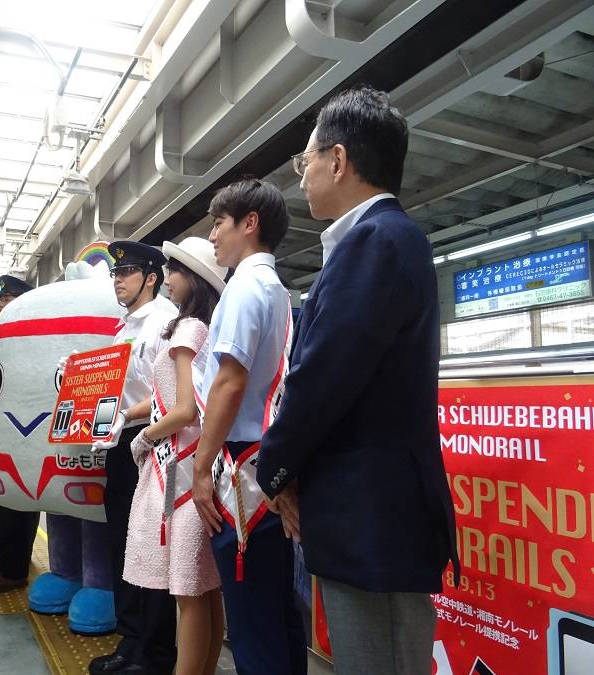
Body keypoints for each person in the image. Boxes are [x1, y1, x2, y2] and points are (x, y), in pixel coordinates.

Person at [256, 87, 460, 675]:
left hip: (374, 520)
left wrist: (275, 468)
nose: (302, 179)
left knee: (379, 660)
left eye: (306, 162)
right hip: (368, 513)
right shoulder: (383, 240)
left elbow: (324, 376)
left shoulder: (375, 242)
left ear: (338, 161)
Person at [191, 178, 307, 675]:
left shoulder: (242, 288)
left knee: (253, 625)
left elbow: (228, 385)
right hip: (268, 466)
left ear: (249, 224)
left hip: (241, 477)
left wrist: (199, 471)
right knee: (279, 616)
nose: (212, 235)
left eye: (219, 223)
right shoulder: (277, 291)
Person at [120, 238, 227, 675]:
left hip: (176, 469)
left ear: (195, 280)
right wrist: (128, 413)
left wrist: (142, 436)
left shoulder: (186, 330)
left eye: (176, 271)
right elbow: (172, 400)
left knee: (188, 592)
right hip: (194, 464)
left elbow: (183, 409)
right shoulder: (203, 327)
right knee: (206, 589)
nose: (167, 277)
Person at [86, 242, 179, 675]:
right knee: (123, 541)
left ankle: (155, 652)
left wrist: (123, 416)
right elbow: (115, 387)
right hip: (121, 444)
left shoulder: (163, 323)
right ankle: (131, 638)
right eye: (115, 274)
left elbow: (167, 394)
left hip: (151, 443)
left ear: (152, 278)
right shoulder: (122, 327)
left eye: (127, 272)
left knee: (149, 545)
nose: (118, 280)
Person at [0, 276, 43, 592]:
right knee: (1, 498)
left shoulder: (34, 332)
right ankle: (6, 562)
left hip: (26, 429)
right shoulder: (2, 333)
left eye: (8, 298)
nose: (2, 304)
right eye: (1, 299)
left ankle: (15, 571)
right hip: (2, 427)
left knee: (20, 500)